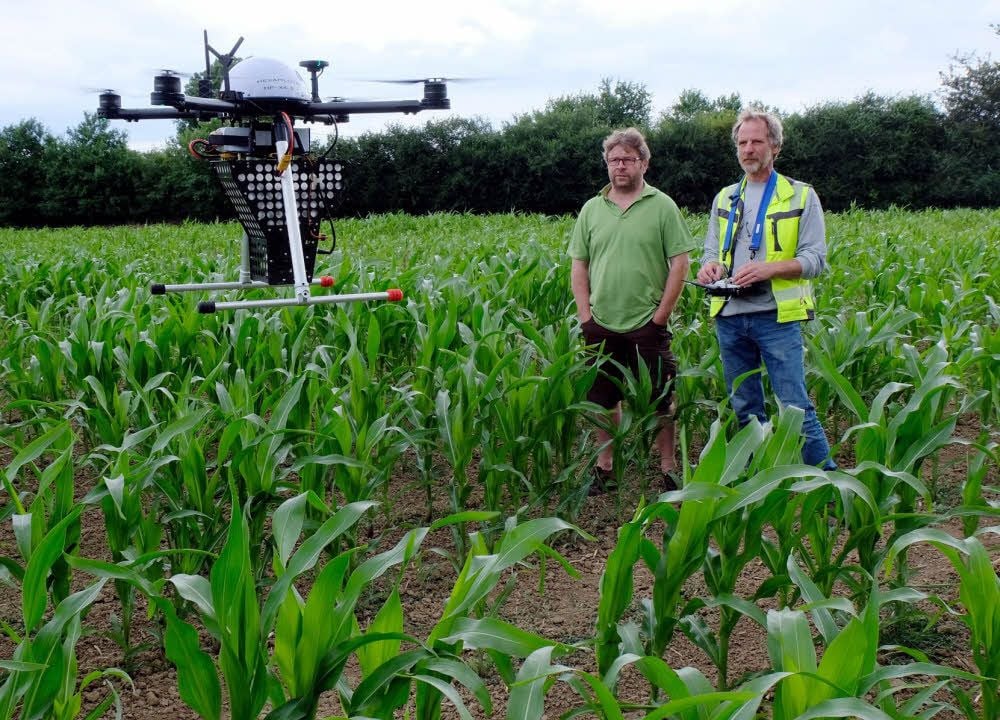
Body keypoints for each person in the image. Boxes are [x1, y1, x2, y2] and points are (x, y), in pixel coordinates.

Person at [696, 108, 836, 470]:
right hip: (730, 316)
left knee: (795, 407)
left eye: (757, 141)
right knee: (745, 408)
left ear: (775, 146)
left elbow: (815, 259)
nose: (748, 149)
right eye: (742, 142)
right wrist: (711, 268)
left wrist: (768, 270)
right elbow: (713, 251)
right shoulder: (725, 197)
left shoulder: (801, 196)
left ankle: (829, 485)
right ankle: (761, 481)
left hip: (776, 317)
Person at [569, 127, 696, 494]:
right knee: (603, 398)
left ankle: (669, 467)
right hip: (601, 321)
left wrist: (660, 317)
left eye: (627, 159)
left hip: (646, 323)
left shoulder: (662, 206)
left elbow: (680, 263)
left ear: (644, 162)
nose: (620, 166)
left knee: (661, 398)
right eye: (614, 160)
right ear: (606, 164)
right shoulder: (593, 209)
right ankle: (604, 467)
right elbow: (579, 265)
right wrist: (585, 316)